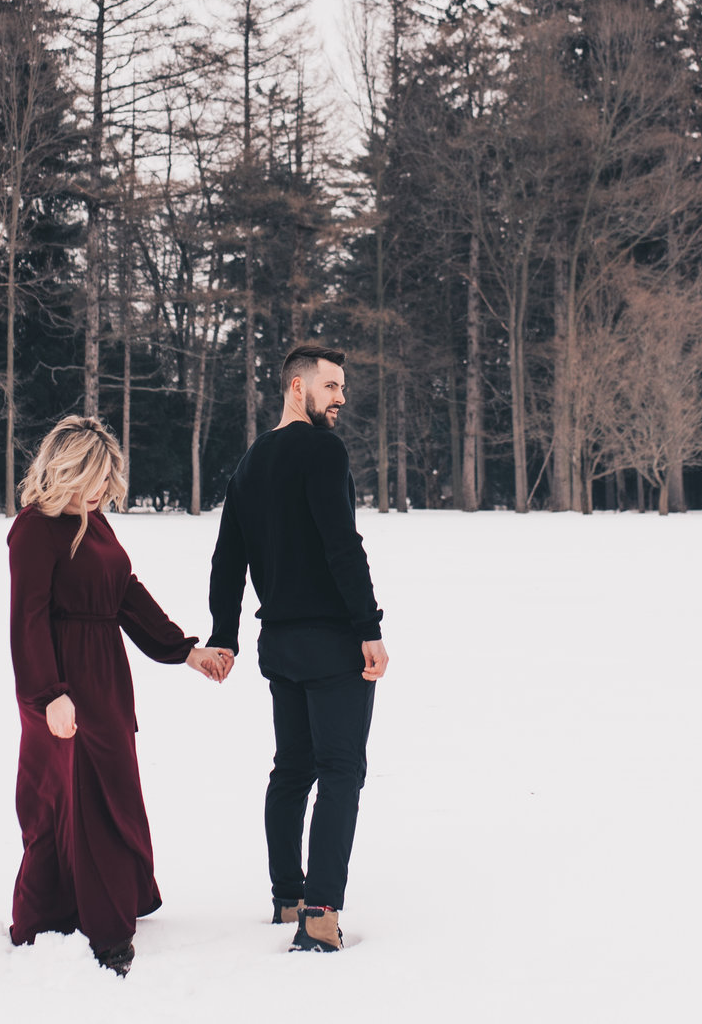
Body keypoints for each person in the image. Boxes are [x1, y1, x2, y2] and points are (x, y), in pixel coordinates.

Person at [8, 415, 234, 976]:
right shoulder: (34, 529)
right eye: (100, 478)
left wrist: (186, 651)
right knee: (73, 802)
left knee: (111, 793)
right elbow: (27, 621)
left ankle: (110, 900)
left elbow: (126, 595)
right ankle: (100, 930)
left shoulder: (96, 523)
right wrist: (51, 695)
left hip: (105, 680)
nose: (108, 490)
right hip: (59, 686)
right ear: (70, 470)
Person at [207, 343, 390, 955]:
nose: (341, 398)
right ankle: (319, 915)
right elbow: (344, 545)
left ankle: (288, 894)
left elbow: (227, 558)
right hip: (332, 642)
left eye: (342, 387)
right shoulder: (322, 450)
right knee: (341, 772)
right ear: (296, 388)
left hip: (279, 646)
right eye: (331, 386)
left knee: (292, 768)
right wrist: (369, 628)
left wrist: (225, 635)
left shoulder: (251, 462)